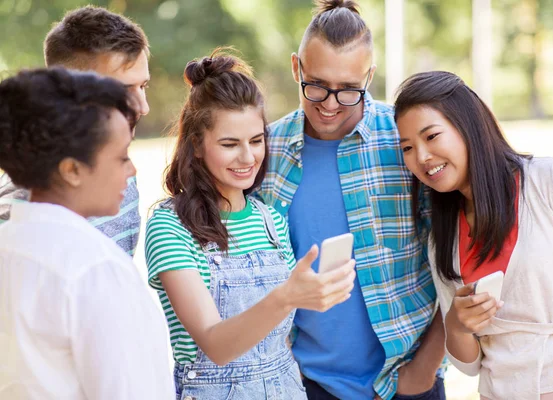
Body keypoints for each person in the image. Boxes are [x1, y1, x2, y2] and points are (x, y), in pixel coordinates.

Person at [256, 1, 446, 399]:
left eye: (347, 90)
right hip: (308, 384)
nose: (328, 104)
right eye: (317, 84)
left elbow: (453, 259)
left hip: (408, 380)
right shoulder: (263, 152)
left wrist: (423, 372)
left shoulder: (405, 143)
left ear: (369, 76)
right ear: (296, 67)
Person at [144, 49, 356, 400]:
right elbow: (215, 344)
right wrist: (287, 296)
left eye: (256, 141)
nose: (248, 157)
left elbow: (278, 339)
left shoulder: (270, 219)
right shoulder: (170, 226)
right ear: (196, 145)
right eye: (230, 144)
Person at [394, 70, 553, 400]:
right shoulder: (441, 239)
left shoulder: (552, 182)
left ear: (468, 126)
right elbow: (470, 364)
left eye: (431, 136)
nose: (420, 157)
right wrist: (459, 326)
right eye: (407, 147)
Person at [0, 68, 173, 399]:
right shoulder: (95, 268)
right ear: (72, 170)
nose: (132, 169)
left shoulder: (8, 245)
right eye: (122, 157)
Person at [0, 6, 150, 256]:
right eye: (122, 91)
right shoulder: (20, 210)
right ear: (68, 90)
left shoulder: (119, 173)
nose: (143, 107)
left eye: (143, 86)